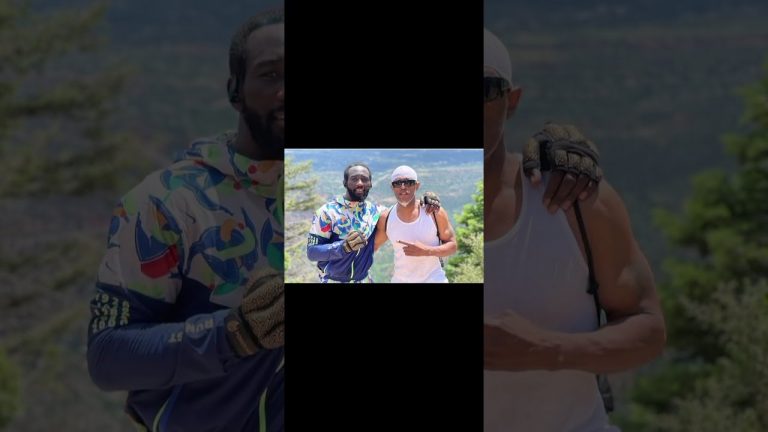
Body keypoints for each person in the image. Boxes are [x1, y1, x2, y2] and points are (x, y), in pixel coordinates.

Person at [86, 11, 285, 432]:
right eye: (271, 75)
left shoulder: (356, 195)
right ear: (236, 90)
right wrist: (233, 334)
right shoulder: (169, 203)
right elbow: (108, 358)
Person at [482, 28, 666, 432]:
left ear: (511, 102)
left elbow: (648, 330)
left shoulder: (573, 200)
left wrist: (547, 351)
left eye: (484, 89)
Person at [373, 165, 457, 283]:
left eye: (408, 182)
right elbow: (373, 247)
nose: (403, 187)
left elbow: (452, 246)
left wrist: (426, 251)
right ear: (392, 187)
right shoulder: (386, 218)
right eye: (397, 183)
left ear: (417, 185)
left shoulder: (434, 213)